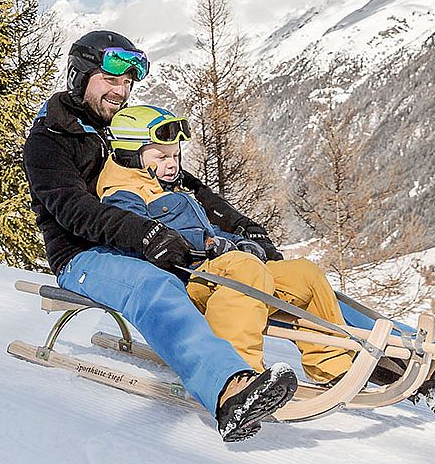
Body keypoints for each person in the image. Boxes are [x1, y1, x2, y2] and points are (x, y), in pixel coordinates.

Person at [103, 103, 435, 413]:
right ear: (130, 152)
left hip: (221, 267)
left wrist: (240, 239)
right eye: (161, 154)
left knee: (303, 273)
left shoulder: (167, 183)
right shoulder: (123, 191)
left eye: (176, 153)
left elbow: (209, 231)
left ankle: (333, 365)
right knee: (243, 268)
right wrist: (214, 249)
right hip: (192, 280)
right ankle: (241, 377)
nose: (173, 162)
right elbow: (141, 240)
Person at [23, 30, 297, 442]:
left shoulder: (122, 132)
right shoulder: (50, 139)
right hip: (84, 256)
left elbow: (190, 188)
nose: (121, 91)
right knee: (157, 288)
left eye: (127, 83)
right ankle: (228, 390)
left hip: (142, 244)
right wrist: (145, 234)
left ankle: (388, 357)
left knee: (284, 275)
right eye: (111, 80)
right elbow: (72, 209)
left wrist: (242, 227)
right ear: (80, 77)